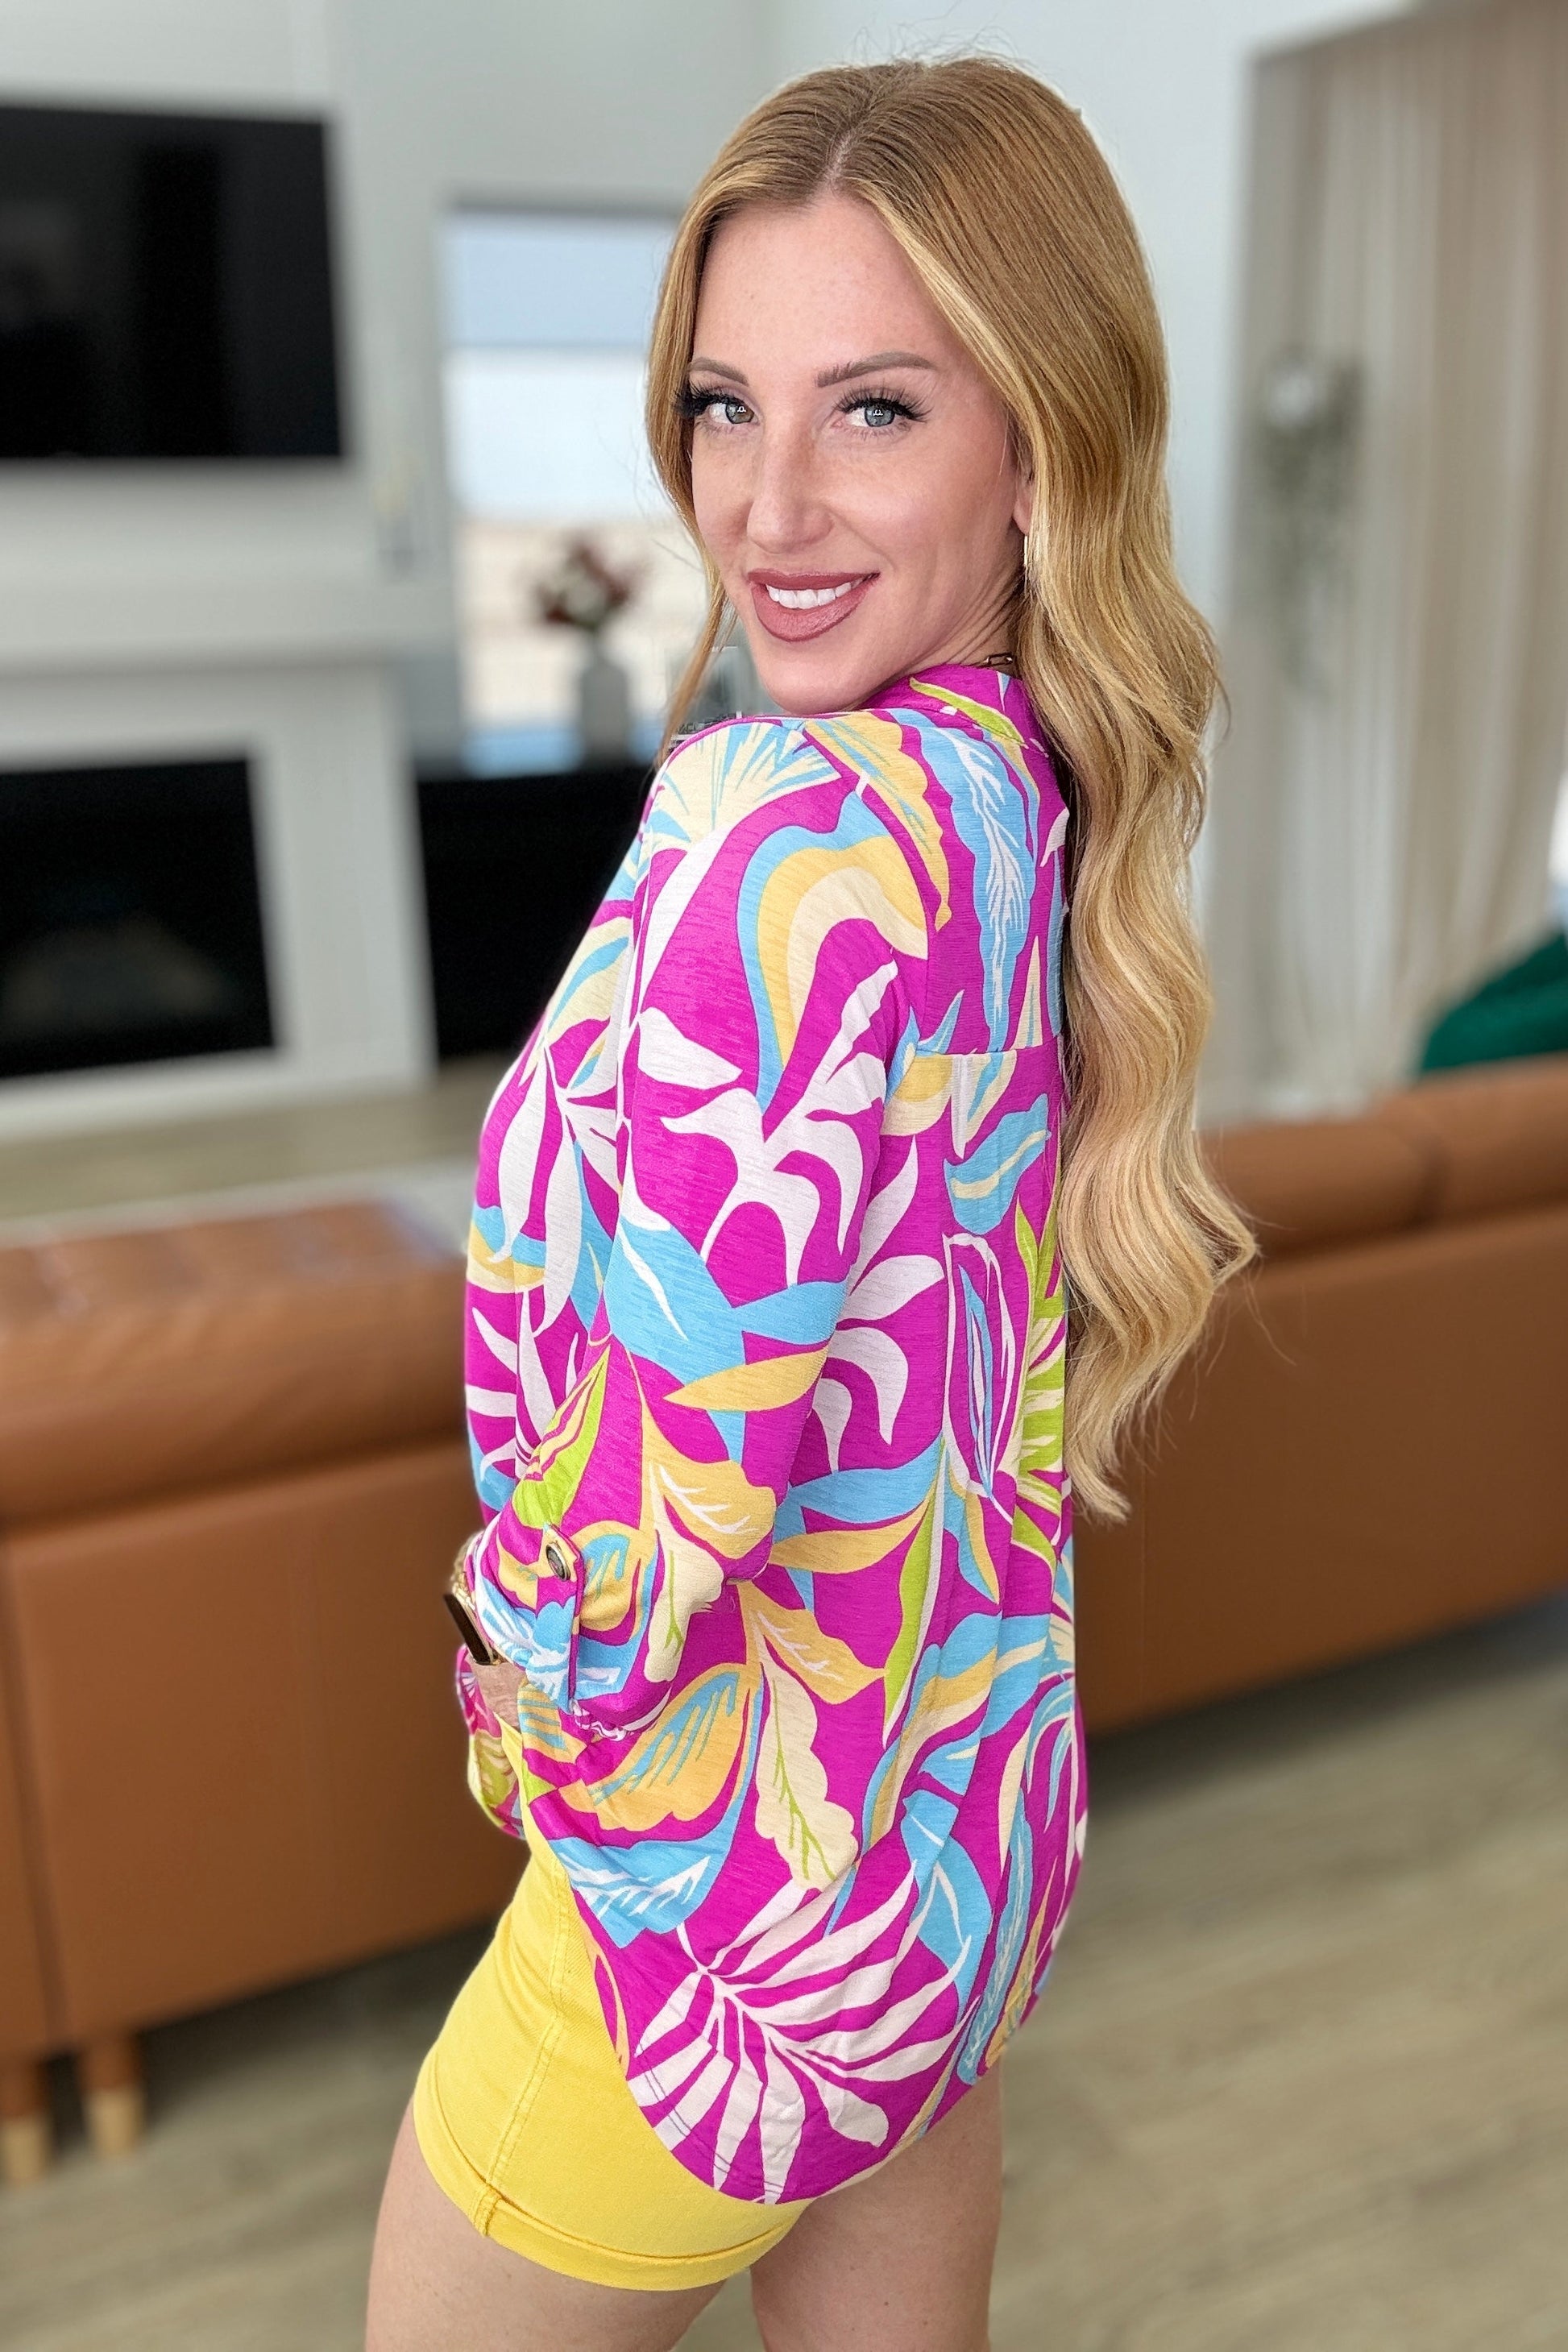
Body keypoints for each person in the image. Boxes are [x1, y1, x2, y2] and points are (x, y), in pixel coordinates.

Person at [367, 56, 1251, 2352]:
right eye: (719, 406)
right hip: (935, 1893)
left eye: (871, 408)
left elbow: (673, 1478)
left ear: (1039, 447)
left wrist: (509, 1687)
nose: (765, 508)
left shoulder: (785, 826)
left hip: (700, 1961)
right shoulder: (1013, 805)